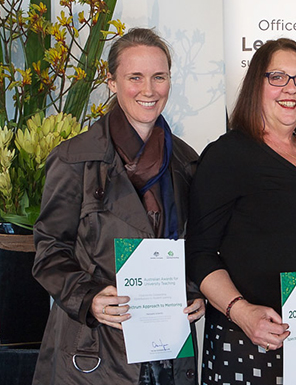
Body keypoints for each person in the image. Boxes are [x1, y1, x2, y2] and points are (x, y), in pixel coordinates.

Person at [32, 28, 205, 384]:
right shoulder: (74, 159)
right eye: (135, 77)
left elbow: (196, 247)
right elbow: (49, 251)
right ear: (111, 83)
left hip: (167, 349)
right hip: (95, 347)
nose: (149, 90)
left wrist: (195, 293)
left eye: (159, 77)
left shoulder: (187, 163)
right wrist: (89, 298)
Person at [185, 38, 296, 385]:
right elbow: (199, 254)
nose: (290, 89)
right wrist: (242, 311)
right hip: (249, 343)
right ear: (256, 85)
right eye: (277, 77)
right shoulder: (228, 154)